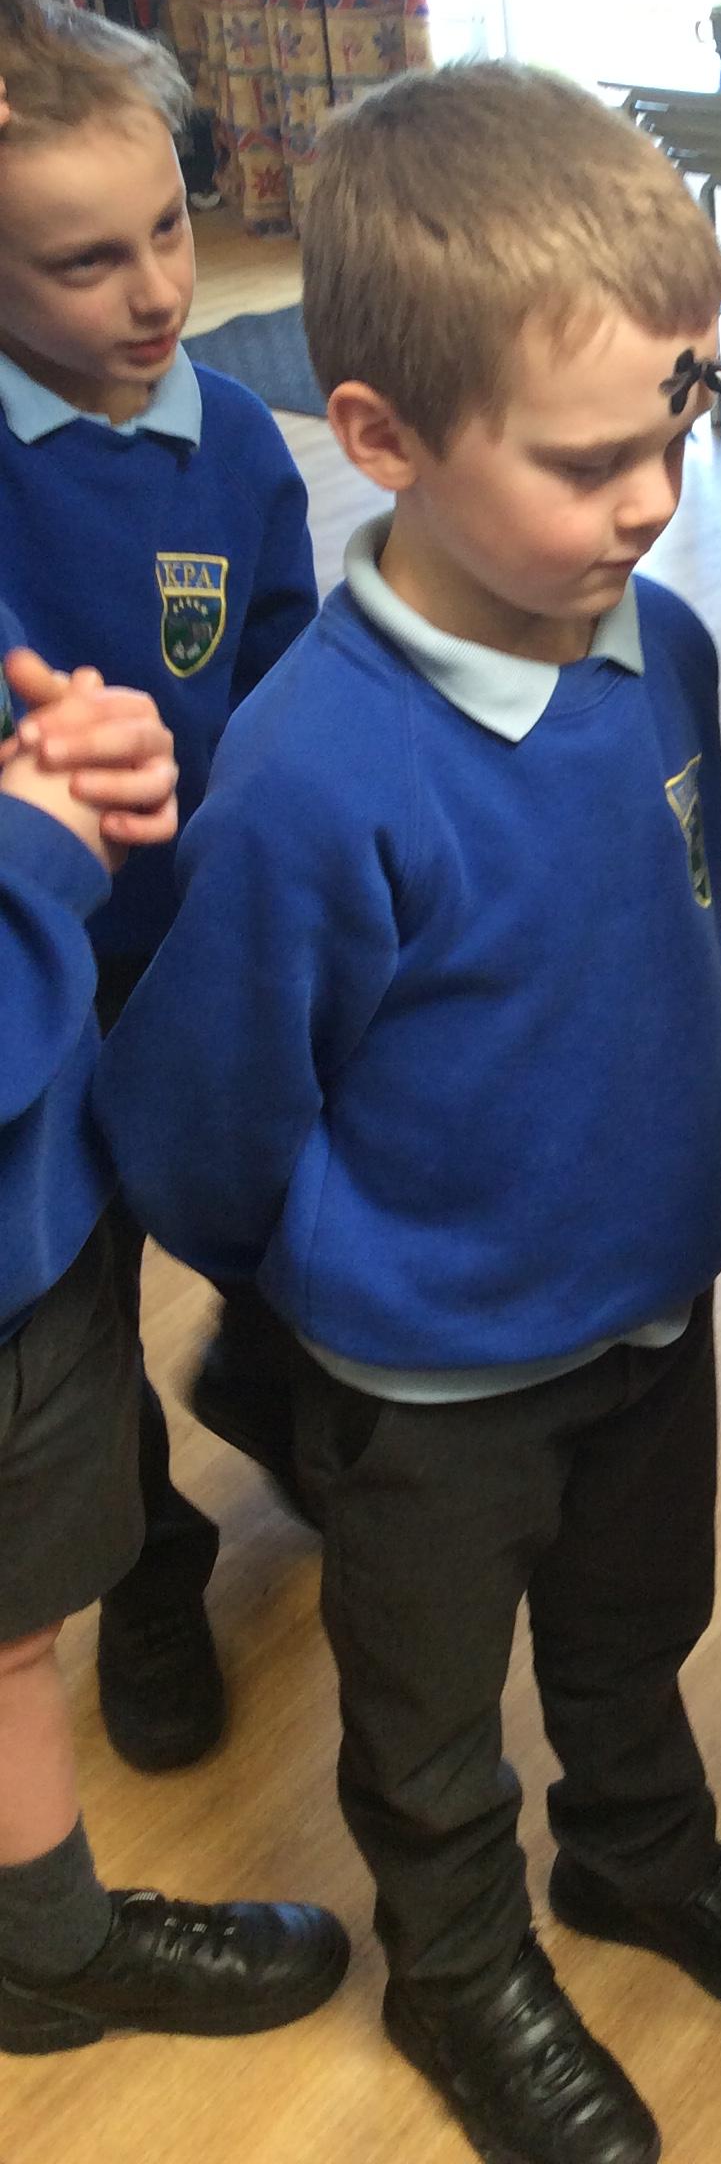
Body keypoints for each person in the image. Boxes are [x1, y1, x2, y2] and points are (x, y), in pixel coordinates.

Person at [95, 61, 721, 2164]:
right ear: (382, 439)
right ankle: (455, 1962)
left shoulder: (664, 650)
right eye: (590, 459)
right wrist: (332, 1285)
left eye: (679, 430)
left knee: (634, 1623)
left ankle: (640, 1850)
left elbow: (662, 923)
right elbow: (201, 1119)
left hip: (649, 1298)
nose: (653, 499)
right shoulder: (312, 774)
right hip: (424, 1373)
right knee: (430, 1716)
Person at [0, 0, 320, 1777]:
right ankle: (144, 1574)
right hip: (35, 975)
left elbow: (279, 677)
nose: (154, 292)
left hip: (204, 947)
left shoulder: (241, 445)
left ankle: (273, 1388)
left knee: (272, 1199)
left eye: (171, 229)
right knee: (77, 1312)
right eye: (82, 262)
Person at [0, 611, 350, 2054]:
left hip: (32, 1245)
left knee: (15, 1634)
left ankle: (41, 1946)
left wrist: (68, 746)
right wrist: (36, 851)